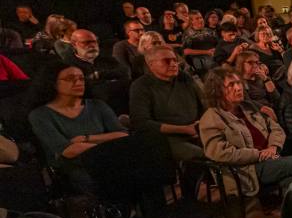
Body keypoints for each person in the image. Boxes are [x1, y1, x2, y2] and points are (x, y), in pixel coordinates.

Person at [199, 67, 292, 196]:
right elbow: (221, 153)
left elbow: (276, 128)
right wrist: (258, 154)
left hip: (269, 160)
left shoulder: (248, 107)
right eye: (231, 85)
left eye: (239, 83)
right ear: (217, 91)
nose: (238, 88)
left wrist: (273, 147)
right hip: (246, 170)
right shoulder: (211, 119)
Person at [28, 61, 129, 191]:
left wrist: (86, 138)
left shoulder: (97, 105)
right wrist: (108, 146)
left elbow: (123, 135)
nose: (78, 83)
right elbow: (68, 151)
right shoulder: (40, 115)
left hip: (109, 160)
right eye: (70, 79)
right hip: (74, 168)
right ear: (53, 83)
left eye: (81, 78)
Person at [129, 45, 205, 161]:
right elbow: (141, 122)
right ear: (151, 64)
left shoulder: (184, 77)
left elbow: (203, 103)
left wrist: (201, 123)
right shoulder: (141, 86)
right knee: (204, 154)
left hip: (197, 131)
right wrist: (185, 129)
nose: (173, 64)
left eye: (175, 60)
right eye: (166, 61)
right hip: (167, 138)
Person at [64, 29, 130, 114]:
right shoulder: (69, 64)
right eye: (86, 42)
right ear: (74, 45)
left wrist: (98, 75)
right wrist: (111, 78)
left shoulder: (106, 58)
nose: (92, 45)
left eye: (94, 42)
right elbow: (84, 86)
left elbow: (125, 73)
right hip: (92, 105)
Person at [182, 10, 218, 75]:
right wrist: (207, 52)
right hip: (200, 59)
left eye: (201, 17)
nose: (200, 20)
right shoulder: (188, 34)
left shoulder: (209, 31)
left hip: (214, 55)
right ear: (192, 21)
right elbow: (186, 51)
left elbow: (217, 44)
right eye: (197, 18)